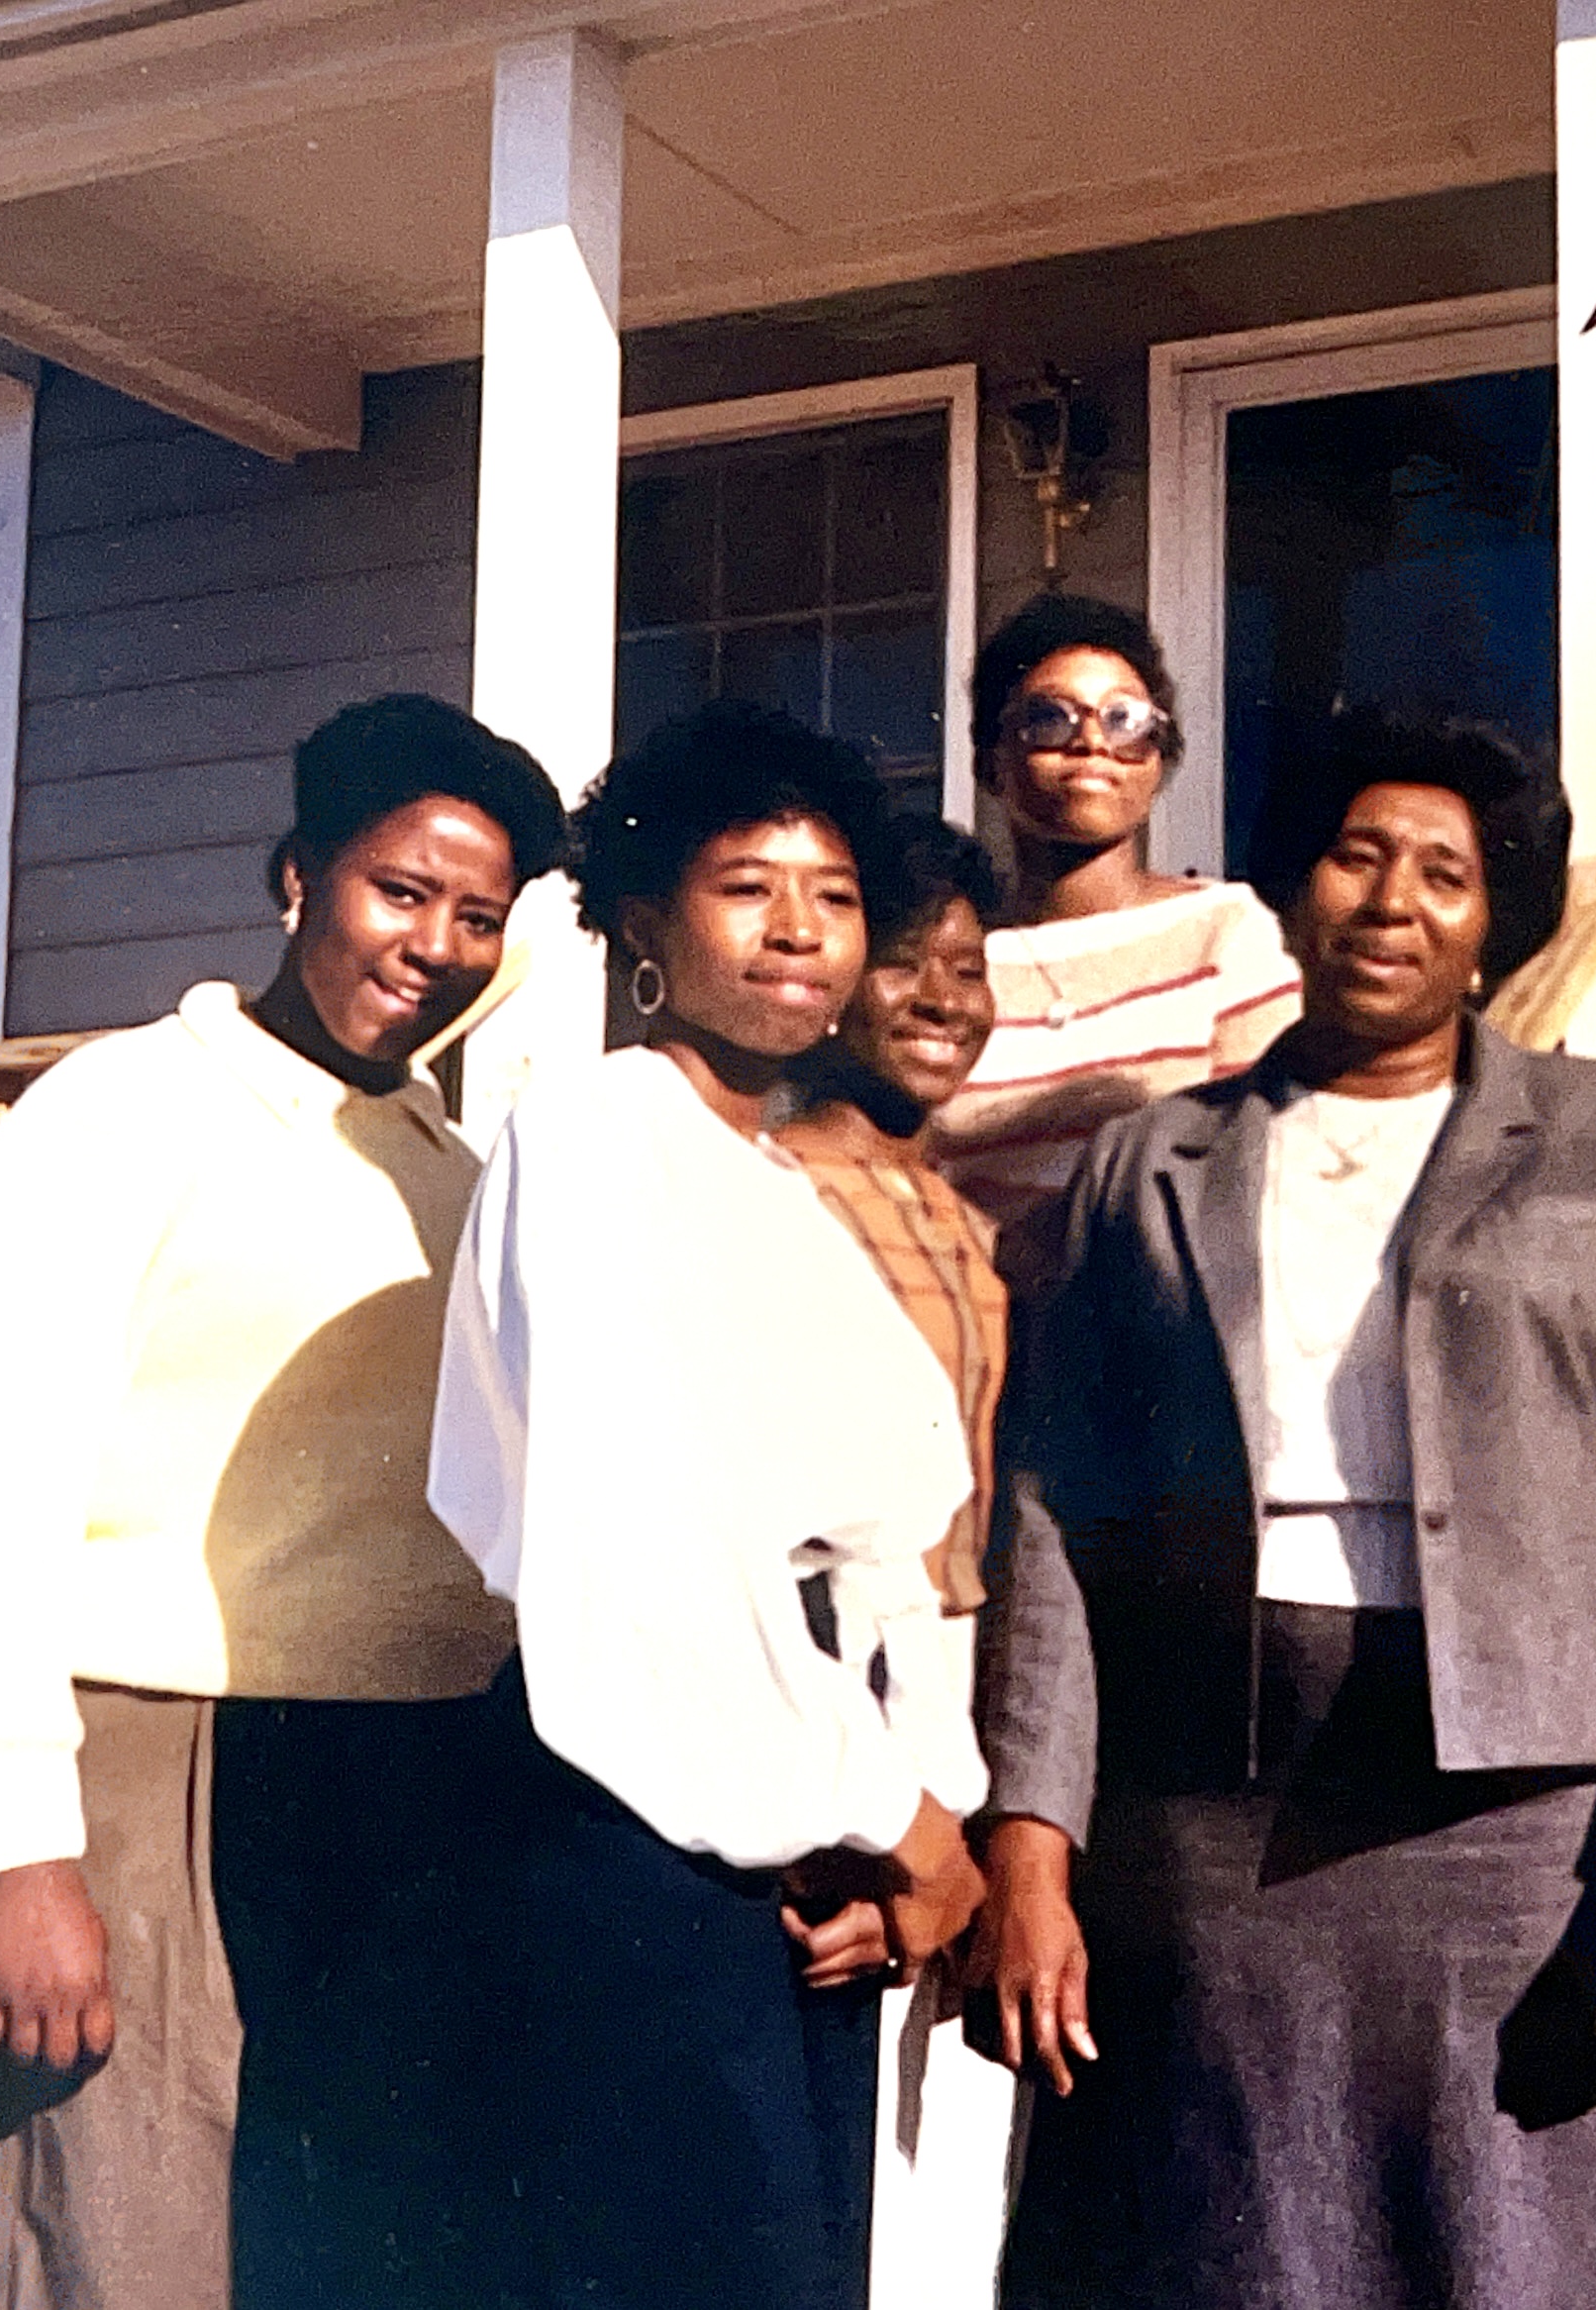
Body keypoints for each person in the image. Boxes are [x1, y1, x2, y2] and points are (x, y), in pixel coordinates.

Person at [971, 713, 1596, 2310]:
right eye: (1357, 854)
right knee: (1243, 2242)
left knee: (1539, 2246)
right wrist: (1032, 1834)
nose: (1393, 900)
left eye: (1447, 871)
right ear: (1291, 886)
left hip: (1529, 1829)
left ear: (1498, 921)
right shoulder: (1148, 1163)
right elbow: (1060, 1514)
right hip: (1213, 1816)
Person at [0, 693, 568, 2310]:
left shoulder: (453, 1175)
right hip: (154, 1761)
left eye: (481, 915)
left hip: (402, 1779)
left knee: (353, 2245)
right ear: (295, 877)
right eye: (399, 890)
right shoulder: (124, 1108)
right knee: (115, 2244)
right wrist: (25, 1845)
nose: (437, 944)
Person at [427, 700, 993, 2310]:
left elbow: (893, 1558)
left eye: (834, 894)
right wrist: (887, 1820)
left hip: (802, 1854)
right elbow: (636, 1557)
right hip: (639, 1847)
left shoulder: (780, 1190)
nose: (803, 930)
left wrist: (897, 1826)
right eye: (750, 886)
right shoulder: (600, 1140)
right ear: (644, 926)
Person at [770, 815, 1020, 2310]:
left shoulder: (959, 1211)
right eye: (906, 964)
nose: (941, 997)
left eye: (969, 967)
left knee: (940, 2172)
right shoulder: (782, 1186)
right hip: (836, 1688)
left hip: (954, 1673)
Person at [927, 594, 1300, 1274]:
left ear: (1158, 759)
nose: (1092, 740)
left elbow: (1274, 1165)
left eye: (1125, 719)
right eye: (1049, 717)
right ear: (989, 759)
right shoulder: (949, 961)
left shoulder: (1227, 934)